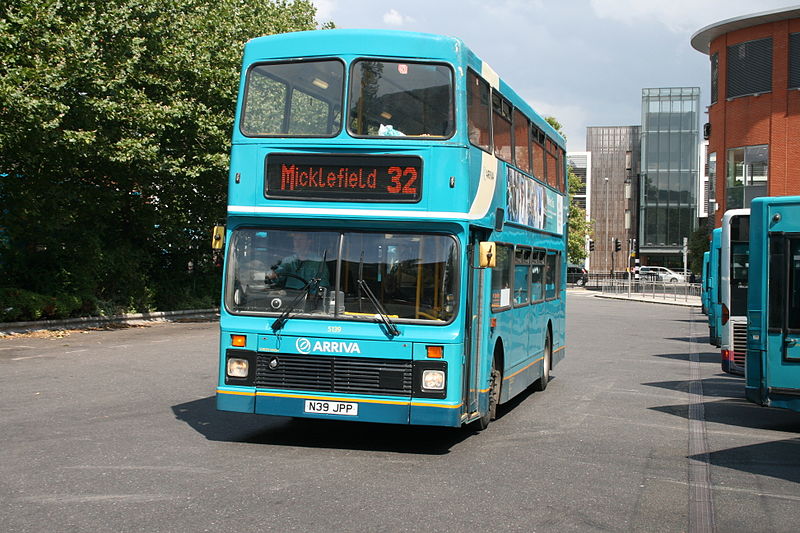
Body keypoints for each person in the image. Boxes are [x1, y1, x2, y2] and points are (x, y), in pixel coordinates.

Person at [266, 233, 331, 290]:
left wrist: (314, 295)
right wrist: (272, 274)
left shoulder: (318, 261)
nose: (297, 243)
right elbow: (278, 275)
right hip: (290, 296)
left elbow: (323, 284)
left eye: (301, 240)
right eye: (295, 240)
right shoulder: (288, 261)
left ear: (309, 242)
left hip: (310, 298)